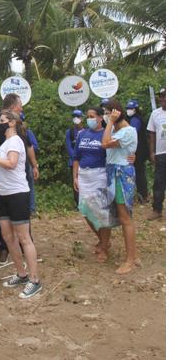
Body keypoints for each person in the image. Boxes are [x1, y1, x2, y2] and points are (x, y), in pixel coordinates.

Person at [0, 110, 43, 299]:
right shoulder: (5, 144)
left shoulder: (16, 141)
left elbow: (11, 163)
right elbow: (1, 169)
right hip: (3, 195)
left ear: (11, 123)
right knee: (8, 238)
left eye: (2, 121)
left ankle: (35, 280)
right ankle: (22, 274)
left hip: (17, 195)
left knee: (24, 238)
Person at [72, 107, 118, 261]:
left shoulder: (106, 133)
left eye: (92, 116)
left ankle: (104, 247)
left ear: (100, 118)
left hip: (99, 175)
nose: (89, 119)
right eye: (88, 116)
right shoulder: (82, 134)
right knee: (85, 210)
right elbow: (76, 157)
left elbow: (116, 151)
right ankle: (103, 239)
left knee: (101, 213)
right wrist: (75, 176)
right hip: (84, 175)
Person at [102, 100, 139, 274]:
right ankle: (132, 256)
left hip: (120, 174)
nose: (105, 116)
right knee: (122, 215)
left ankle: (130, 260)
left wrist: (109, 123)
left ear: (115, 113)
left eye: (107, 113)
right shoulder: (120, 131)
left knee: (125, 217)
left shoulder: (127, 131)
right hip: (113, 172)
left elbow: (105, 143)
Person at [0, 93, 23, 264]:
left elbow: (13, 162)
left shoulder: (16, 136)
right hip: (1, 178)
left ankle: (23, 245)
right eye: (19, 105)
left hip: (16, 183)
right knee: (5, 218)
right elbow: (3, 160)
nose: (21, 108)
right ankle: (6, 247)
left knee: (20, 221)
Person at [147, 88, 167, 220]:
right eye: (161, 96)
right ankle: (157, 209)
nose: (163, 99)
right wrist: (152, 151)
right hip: (162, 153)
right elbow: (151, 133)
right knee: (159, 182)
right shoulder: (155, 114)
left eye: (166, 96)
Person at [126, 100, 150, 204]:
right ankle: (141, 195)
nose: (129, 110)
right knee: (139, 173)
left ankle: (142, 196)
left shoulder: (135, 120)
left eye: (131, 109)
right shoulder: (134, 119)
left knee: (138, 173)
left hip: (138, 151)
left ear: (135, 110)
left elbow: (131, 133)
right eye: (128, 108)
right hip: (138, 150)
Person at [21, 112, 40, 216]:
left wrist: (34, 165)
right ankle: (26, 208)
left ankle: (31, 208)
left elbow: (34, 146)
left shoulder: (28, 133)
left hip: (27, 163)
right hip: (20, 164)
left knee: (30, 185)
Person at [64, 109, 84, 204]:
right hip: (73, 162)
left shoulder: (86, 131)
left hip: (85, 161)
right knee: (76, 182)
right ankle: (77, 202)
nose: (76, 119)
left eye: (78, 117)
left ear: (82, 118)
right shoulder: (70, 132)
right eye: (74, 117)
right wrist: (76, 158)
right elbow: (69, 147)